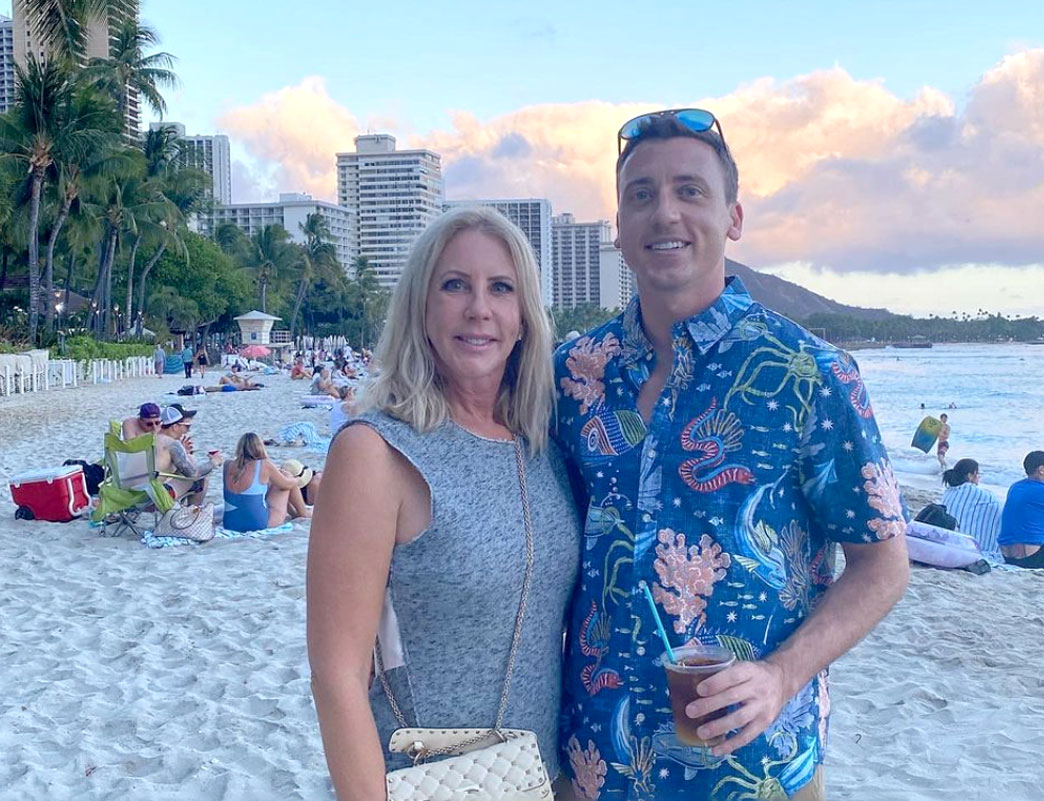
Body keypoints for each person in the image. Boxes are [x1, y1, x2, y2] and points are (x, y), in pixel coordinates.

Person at [552, 108, 909, 801]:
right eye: (642, 195)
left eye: (690, 190)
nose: (665, 213)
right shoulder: (574, 373)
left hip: (754, 770)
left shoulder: (811, 373)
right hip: (596, 764)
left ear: (733, 218)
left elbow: (885, 562)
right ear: (620, 231)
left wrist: (781, 674)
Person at [307, 206, 581, 801]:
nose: (478, 308)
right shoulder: (376, 453)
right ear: (421, 309)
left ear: (524, 317)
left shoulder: (544, 447)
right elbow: (338, 677)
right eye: (454, 285)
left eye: (500, 289)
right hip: (423, 782)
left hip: (540, 779)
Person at [222, 433, 306, 531]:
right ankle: (303, 513)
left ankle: (296, 513)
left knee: (268, 484)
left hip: (230, 524)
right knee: (287, 477)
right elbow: (286, 485)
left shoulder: (227, 465)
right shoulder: (263, 464)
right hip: (259, 524)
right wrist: (296, 480)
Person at [156, 406, 221, 503]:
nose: (188, 431)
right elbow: (193, 473)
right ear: (174, 426)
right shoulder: (172, 443)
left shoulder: (148, 439)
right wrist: (213, 463)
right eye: (187, 426)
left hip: (134, 494)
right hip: (157, 496)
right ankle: (194, 514)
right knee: (201, 478)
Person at [940, 458, 1003, 558]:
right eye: (977, 474)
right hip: (966, 545)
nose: (979, 477)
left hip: (947, 542)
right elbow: (999, 508)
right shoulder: (979, 494)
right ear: (970, 476)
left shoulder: (948, 492)